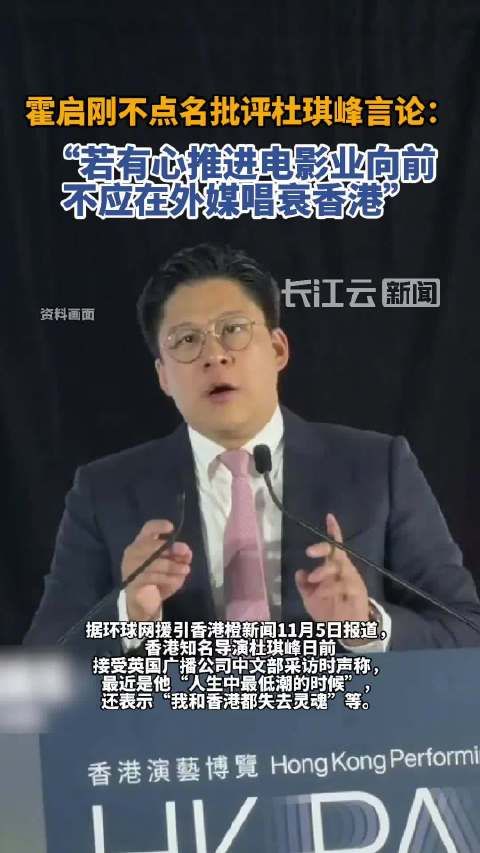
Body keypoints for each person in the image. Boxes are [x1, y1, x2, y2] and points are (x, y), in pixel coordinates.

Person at [24, 243, 480, 654]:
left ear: (278, 349)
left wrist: (365, 626)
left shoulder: (378, 467)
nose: (214, 356)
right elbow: (42, 657)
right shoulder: (104, 491)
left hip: (344, 720)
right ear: (163, 376)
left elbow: (466, 629)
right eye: (187, 340)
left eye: (233, 329)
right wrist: (129, 614)